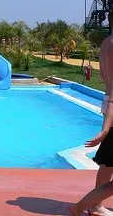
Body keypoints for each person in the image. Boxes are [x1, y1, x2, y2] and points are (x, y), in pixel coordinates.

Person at [69, 11, 113, 216]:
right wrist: (105, 129)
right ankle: (85, 205)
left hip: (109, 102)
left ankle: (94, 205)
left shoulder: (106, 43)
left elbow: (104, 77)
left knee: (108, 163)